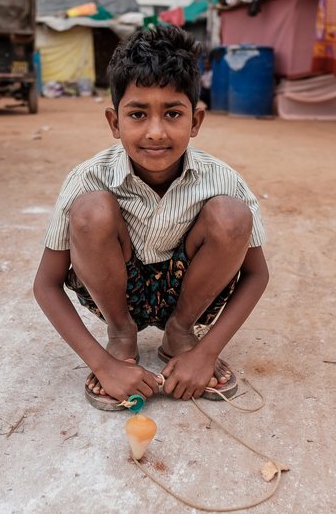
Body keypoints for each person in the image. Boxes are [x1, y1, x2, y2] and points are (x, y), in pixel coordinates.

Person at [33, 26, 269, 410]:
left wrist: (207, 352)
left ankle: (180, 334)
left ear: (196, 121)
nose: (156, 132)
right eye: (138, 114)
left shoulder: (223, 179)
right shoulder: (87, 177)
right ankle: (121, 337)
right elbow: (46, 284)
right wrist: (102, 364)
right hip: (115, 293)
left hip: (191, 293)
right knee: (91, 210)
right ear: (115, 122)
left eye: (173, 114)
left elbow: (257, 274)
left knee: (231, 214)